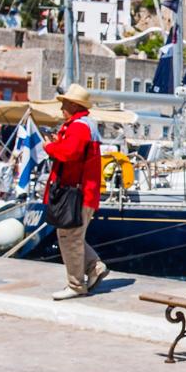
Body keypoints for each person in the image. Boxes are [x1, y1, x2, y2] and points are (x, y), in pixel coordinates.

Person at [44, 83, 109, 300]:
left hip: (77, 194)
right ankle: (94, 267)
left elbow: (69, 154)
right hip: (84, 192)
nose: (61, 107)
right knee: (73, 236)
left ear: (73, 105)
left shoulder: (79, 127)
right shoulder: (84, 126)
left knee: (69, 237)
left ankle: (75, 284)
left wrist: (49, 147)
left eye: (64, 103)